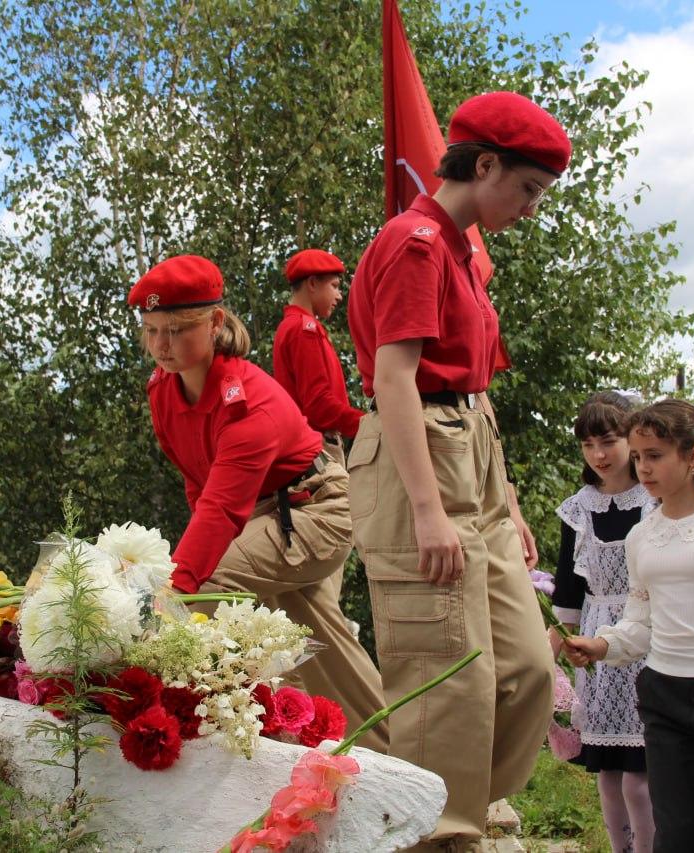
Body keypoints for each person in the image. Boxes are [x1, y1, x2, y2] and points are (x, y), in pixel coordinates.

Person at [346, 90, 567, 849]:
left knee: (526, 668)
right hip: (421, 455)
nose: (531, 209)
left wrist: (503, 500)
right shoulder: (415, 241)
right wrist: (430, 509)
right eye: (528, 189)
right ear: (485, 163)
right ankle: (440, 833)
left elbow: (474, 388)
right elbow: (394, 379)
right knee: (445, 670)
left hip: (472, 447)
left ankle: (467, 801)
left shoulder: (460, 251)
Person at [127, 254, 387, 750]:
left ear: (216, 322)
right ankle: (389, 751)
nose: (162, 345)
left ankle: (210, 721)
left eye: (179, 329)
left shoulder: (249, 403)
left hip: (315, 510)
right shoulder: (163, 393)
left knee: (207, 583)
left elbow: (221, 509)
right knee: (318, 641)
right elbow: (198, 486)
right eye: (152, 329)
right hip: (269, 515)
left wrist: (171, 593)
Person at [564, 399, 694, 852]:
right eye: (638, 456)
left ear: (693, 456)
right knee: (675, 838)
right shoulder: (643, 534)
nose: (642, 467)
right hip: (665, 698)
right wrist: (604, 645)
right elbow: (641, 620)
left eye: (655, 456)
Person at [549, 392, 656, 853]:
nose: (598, 455)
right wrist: (548, 655)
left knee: (640, 775)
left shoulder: (653, 501)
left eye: (608, 441)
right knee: (609, 775)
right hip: (594, 640)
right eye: (588, 444)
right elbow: (568, 590)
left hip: (646, 634)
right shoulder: (578, 508)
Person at [271, 249, 365, 463]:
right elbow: (319, 406)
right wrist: (368, 424)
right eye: (334, 286)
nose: (339, 295)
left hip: (310, 444)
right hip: (318, 447)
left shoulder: (293, 326)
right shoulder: (303, 329)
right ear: (312, 283)